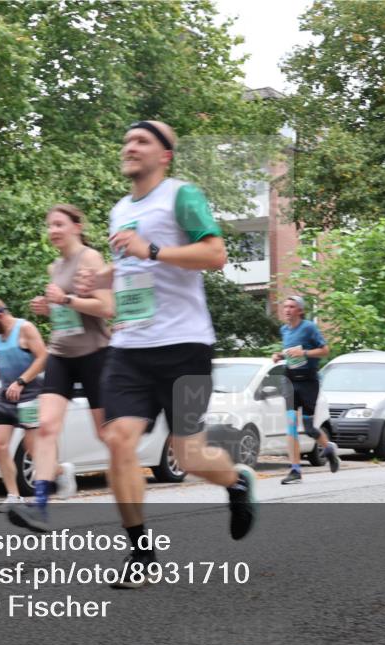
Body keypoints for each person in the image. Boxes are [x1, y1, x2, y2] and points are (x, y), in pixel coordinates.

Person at [75, 120, 256, 588]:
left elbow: (215, 254)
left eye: (141, 141)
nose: (129, 147)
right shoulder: (120, 209)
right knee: (118, 441)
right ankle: (140, 552)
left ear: (165, 155)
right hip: (130, 347)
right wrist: (106, 279)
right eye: (127, 140)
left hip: (185, 346)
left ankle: (236, 482)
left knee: (190, 455)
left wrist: (151, 248)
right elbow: (134, 265)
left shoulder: (181, 195)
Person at [8, 205, 111, 532]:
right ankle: (40, 506)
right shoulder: (56, 266)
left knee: (106, 433)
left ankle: (127, 481)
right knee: (46, 427)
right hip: (61, 355)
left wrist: (65, 300)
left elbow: (106, 308)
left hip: (94, 353)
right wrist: (48, 307)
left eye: (59, 224)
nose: (52, 230)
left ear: (77, 226)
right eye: (49, 225)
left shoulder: (90, 259)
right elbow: (65, 315)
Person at [0, 297, 63, 515]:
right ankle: (13, 496)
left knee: (33, 448)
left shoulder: (25, 328)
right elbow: (3, 359)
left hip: (29, 392)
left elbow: (42, 357)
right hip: (6, 394)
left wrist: (21, 381)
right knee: (0, 446)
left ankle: (59, 471)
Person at [272, 295, 339, 484]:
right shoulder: (284, 330)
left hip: (309, 381)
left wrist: (305, 353)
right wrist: (279, 355)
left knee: (309, 427)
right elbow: (290, 353)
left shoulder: (309, 327)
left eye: (291, 307)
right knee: (291, 425)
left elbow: (325, 350)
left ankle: (329, 449)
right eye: (285, 306)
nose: (287, 310)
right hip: (290, 381)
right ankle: (295, 470)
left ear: (300, 310)